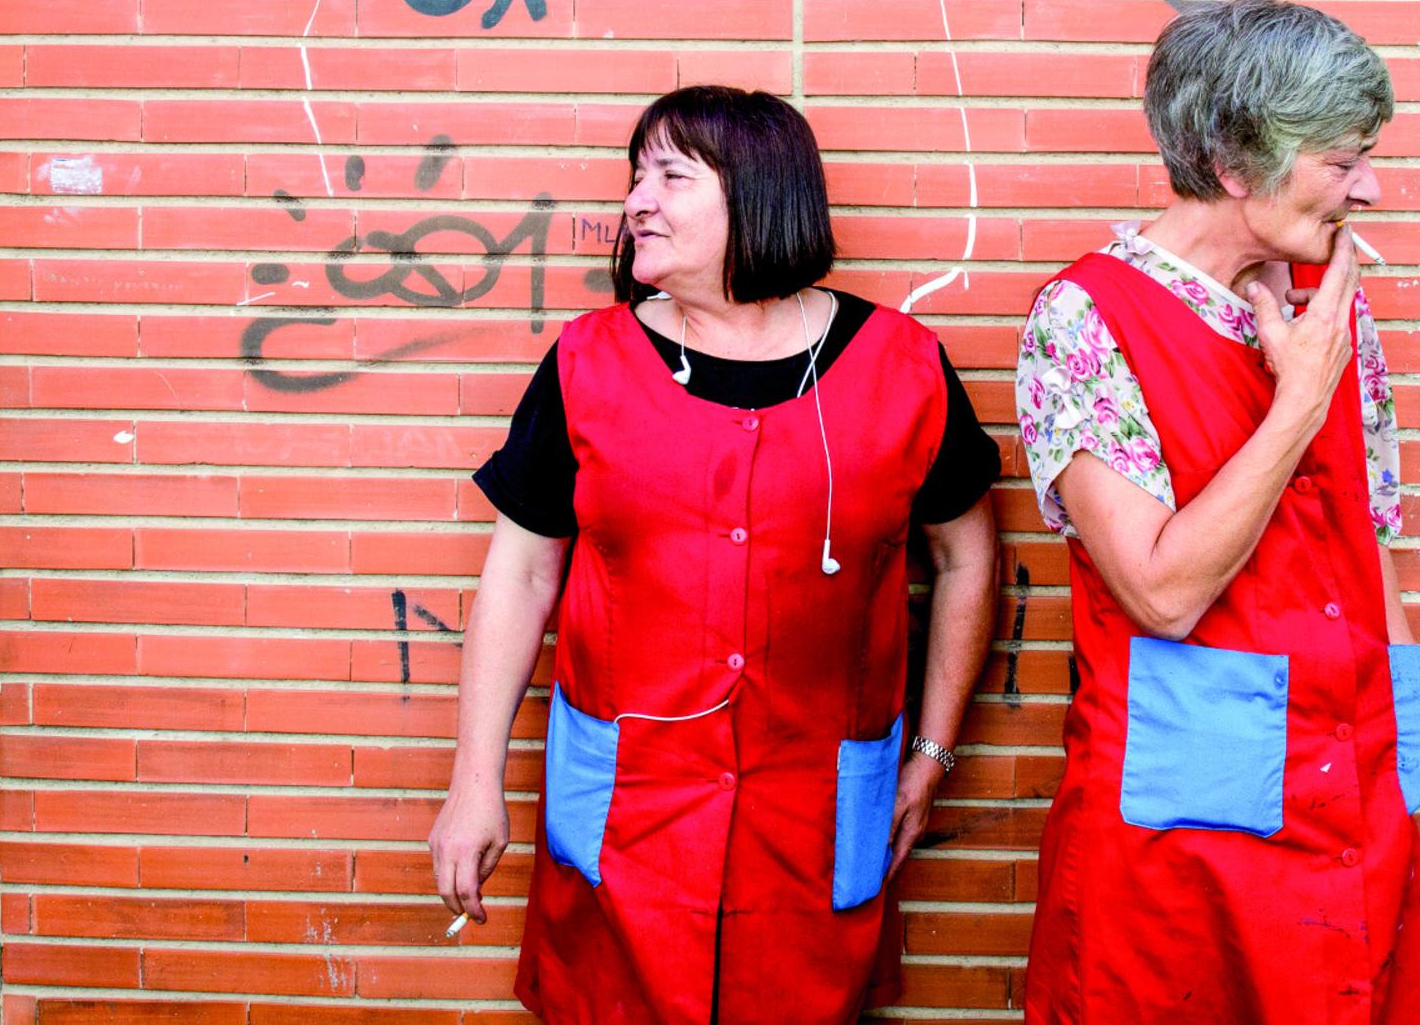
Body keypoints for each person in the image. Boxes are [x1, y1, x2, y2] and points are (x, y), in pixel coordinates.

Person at [429, 85, 1002, 1023]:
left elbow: (969, 558)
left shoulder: (902, 367)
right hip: (628, 819)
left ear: (761, 196)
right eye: (634, 176)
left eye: (669, 176)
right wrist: (472, 785)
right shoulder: (586, 363)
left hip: (813, 822)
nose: (634, 202)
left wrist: (931, 756)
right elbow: (522, 574)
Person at [1014, 0, 1420, 1022]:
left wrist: (1401, 728)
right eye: (1340, 160)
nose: (1369, 187)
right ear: (1230, 160)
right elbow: (1160, 591)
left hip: (1351, 811)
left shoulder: (1325, 304)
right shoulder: (1086, 319)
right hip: (1185, 851)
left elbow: (1362, 532)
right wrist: (1296, 399)